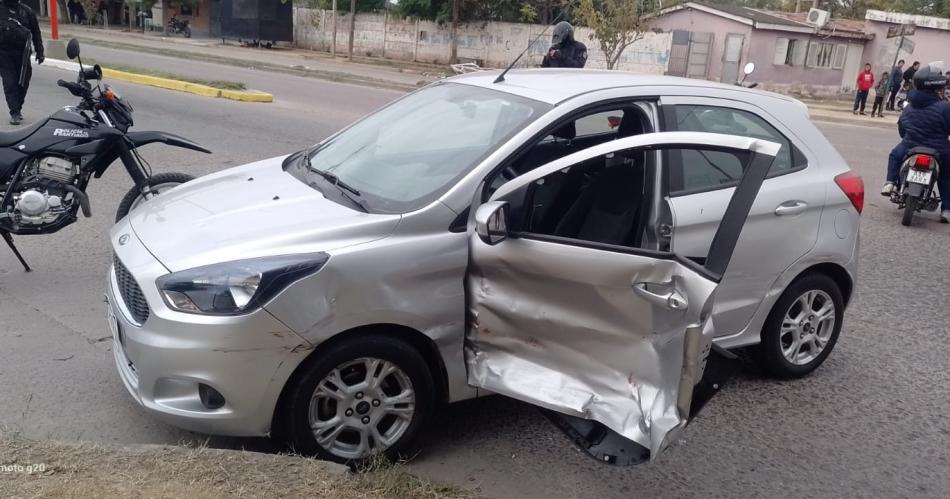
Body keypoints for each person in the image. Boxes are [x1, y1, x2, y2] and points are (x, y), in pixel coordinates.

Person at [881, 63, 950, 223]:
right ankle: (946, 210)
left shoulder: (910, 106)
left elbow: (902, 127)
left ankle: (890, 183)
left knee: (895, 155)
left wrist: (908, 136)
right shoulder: (946, 107)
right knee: (946, 177)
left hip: (910, 145)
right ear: (937, 88)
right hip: (939, 149)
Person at [0, 0, 43, 125]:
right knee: (10, 83)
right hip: (4, 54)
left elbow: (36, 32)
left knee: (23, 82)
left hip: (23, 54)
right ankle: (14, 112)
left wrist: (40, 51)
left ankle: (18, 106)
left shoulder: (27, 12)